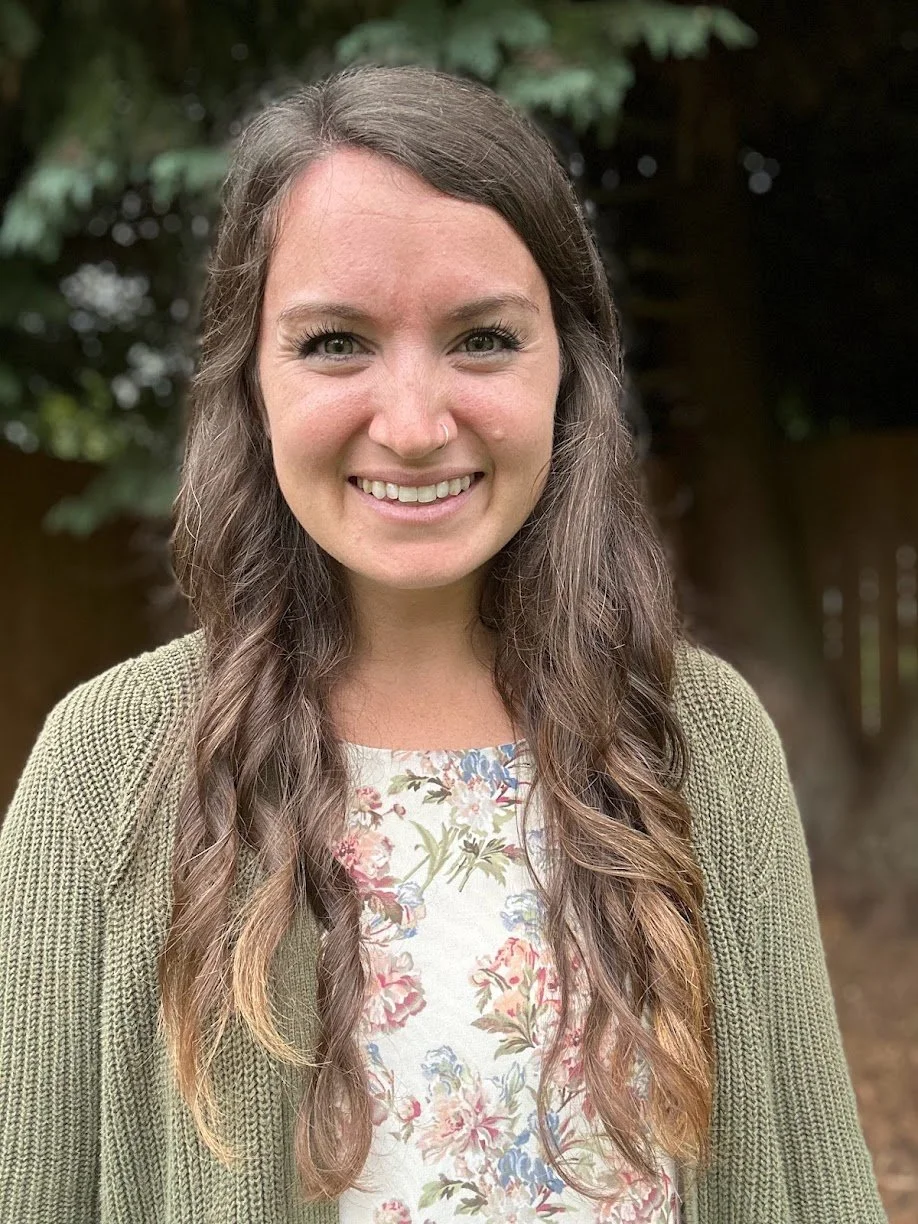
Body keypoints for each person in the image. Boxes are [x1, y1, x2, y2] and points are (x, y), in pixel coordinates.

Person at [0, 65, 886, 1224]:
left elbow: (818, 1189)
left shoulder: (702, 741)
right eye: (335, 342)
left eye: (482, 339)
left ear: (569, 369)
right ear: (250, 378)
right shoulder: (104, 771)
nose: (415, 426)